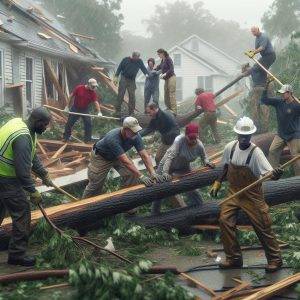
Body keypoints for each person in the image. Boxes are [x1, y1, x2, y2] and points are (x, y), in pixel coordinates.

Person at [210, 117, 283, 273]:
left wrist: (276, 174)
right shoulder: (230, 147)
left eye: (247, 136)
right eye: (241, 136)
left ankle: (275, 259)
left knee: (262, 225)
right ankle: (234, 258)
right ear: (236, 134)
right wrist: (218, 182)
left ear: (251, 136)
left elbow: (270, 173)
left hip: (252, 194)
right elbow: (225, 167)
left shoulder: (256, 153)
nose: (244, 139)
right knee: (225, 220)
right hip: (234, 192)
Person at [0, 108, 53, 266]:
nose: (46, 128)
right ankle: (17, 255)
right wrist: (32, 191)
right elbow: (23, 172)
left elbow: (31, 154)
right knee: (22, 213)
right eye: (45, 125)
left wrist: (43, 174)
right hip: (6, 178)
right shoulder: (23, 137)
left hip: (2, 174)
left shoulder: (20, 124)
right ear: (37, 122)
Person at [82, 117, 159, 199]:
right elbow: (125, 161)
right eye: (133, 131)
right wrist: (141, 176)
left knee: (132, 175)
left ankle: (128, 203)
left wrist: (153, 173)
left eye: (136, 131)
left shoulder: (136, 135)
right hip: (102, 157)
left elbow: (144, 155)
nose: (136, 134)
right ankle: (82, 208)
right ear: (125, 129)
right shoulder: (113, 138)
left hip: (118, 155)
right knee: (96, 184)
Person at [152, 123, 215, 215]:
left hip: (184, 167)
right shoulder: (179, 141)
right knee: (161, 188)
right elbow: (169, 158)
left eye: (195, 138)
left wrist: (207, 162)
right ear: (186, 136)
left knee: (191, 187)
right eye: (190, 138)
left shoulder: (199, 145)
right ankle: (154, 213)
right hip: (168, 165)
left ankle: (199, 209)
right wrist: (165, 172)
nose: (193, 141)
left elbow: (204, 157)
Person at [261, 84, 300, 175]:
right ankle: (273, 174)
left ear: (289, 93)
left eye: (283, 93)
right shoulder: (279, 102)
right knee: (272, 151)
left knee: (295, 157)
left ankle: (298, 179)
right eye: (281, 93)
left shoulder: (297, 105)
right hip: (281, 134)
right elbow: (264, 100)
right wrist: (265, 88)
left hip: (294, 135)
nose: (282, 95)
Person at [63, 78, 102, 143]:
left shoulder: (93, 93)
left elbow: (96, 102)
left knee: (88, 123)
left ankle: (87, 140)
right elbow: (71, 96)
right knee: (70, 122)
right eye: (93, 86)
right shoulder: (79, 88)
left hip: (84, 109)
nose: (94, 87)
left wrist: (99, 112)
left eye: (95, 86)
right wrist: (67, 106)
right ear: (88, 84)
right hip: (75, 108)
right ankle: (66, 138)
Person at [115, 51, 149, 116]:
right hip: (124, 78)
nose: (137, 58)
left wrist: (146, 74)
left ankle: (131, 112)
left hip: (132, 80)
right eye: (136, 57)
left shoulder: (139, 61)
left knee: (132, 96)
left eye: (138, 57)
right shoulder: (125, 60)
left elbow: (143, 68)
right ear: (133, 56)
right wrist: (116, 76)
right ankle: (117, 111)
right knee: (121, 94)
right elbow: (119, 68)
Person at [155, 48, 177, 114]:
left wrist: (165, 73)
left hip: (172, 77)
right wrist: (154, 69)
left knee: (171, 94)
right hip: (166, 79)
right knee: (166, 94)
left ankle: (174, 110)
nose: (158, 55)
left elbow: (171, 69)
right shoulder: (163, 60)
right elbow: (160, 66)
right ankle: (168, 107)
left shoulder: (168, 59)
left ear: (162, 53)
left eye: (159, 54)